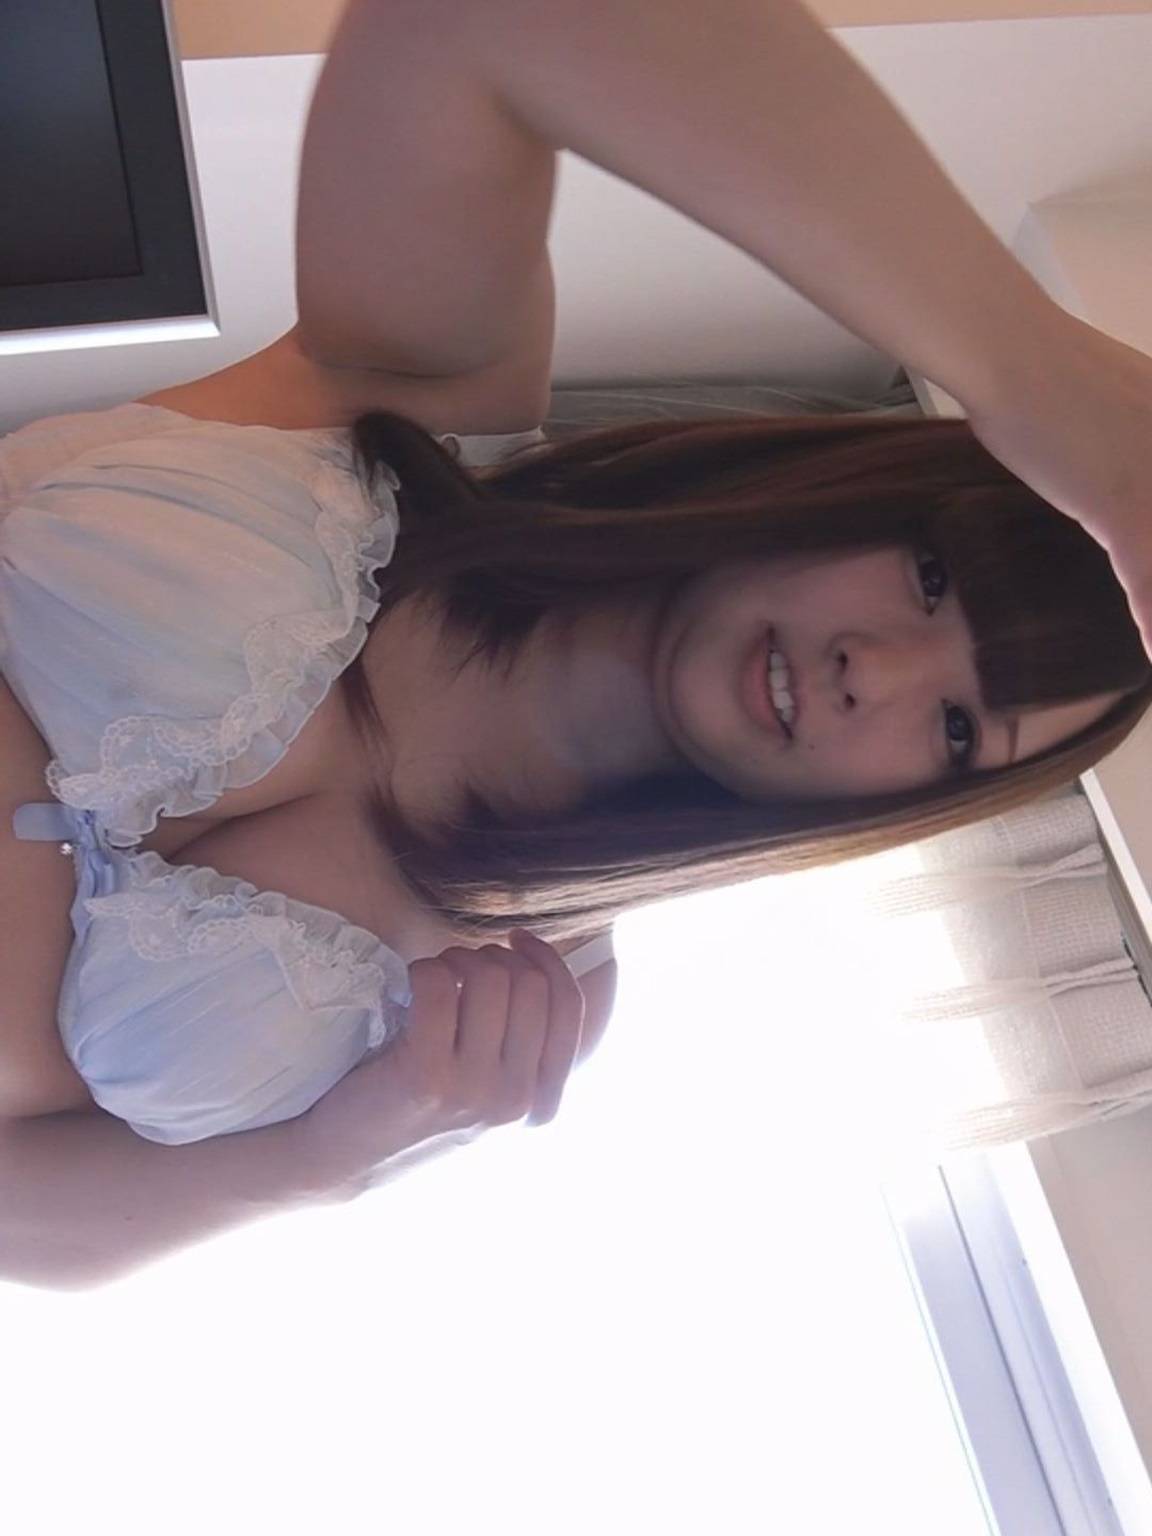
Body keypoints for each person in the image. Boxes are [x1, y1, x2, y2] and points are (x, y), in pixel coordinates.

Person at [1, 0, 1150, 1291]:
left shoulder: (536, 990)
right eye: (931, 581)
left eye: (954, 729)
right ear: (856, 500)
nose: (873, 670)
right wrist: (1033, 371)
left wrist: (333, 1157)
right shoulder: (420, 404)